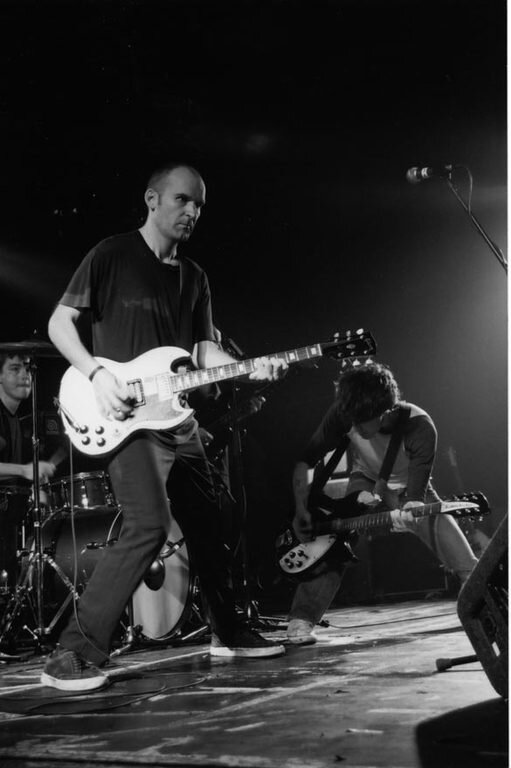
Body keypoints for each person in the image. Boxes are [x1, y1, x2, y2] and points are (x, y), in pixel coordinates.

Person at [42, 162, 287, 692]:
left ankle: (228, 631)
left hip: (176, 416)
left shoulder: (194, 276)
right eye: (182, 200)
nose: (192, 211)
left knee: (213, 517)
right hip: (125, 418)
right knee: (149, 525)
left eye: (199, 205)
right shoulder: (111, 254)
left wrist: (249, 367)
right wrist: (97, 374)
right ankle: (71, 654)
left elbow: (202, 351)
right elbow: (59, 324)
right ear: (152, 199)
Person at [286, 362, 478, 645]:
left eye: (361, 422)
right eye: (350, 420)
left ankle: (484, 604)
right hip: (364, 479)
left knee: (465, 563)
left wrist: (408, 511)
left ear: (386, 412)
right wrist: (301, 509)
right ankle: (301, 618)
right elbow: (305, 461)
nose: (353, 427)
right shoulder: (345, 412)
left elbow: (414, 496)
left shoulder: (420, 426)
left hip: (410, 487)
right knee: (334, 543)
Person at [0, 353, 58, 589]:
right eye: (15, 369)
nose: (25, 375)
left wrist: (32, 490)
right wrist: (25, 470)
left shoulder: (14, 419)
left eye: (27, 368)